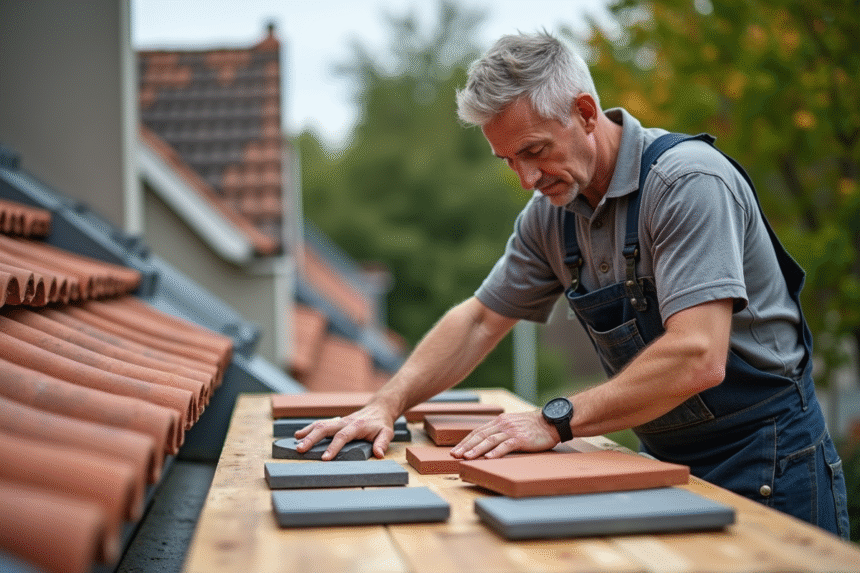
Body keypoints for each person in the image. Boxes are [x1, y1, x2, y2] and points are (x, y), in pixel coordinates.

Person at [295, 31, 849, 537]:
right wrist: (385, 403)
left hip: (768, 460)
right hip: (663, 461)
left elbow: (698, 356)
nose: (526, 179)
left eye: (534, 151)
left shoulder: (687, 184)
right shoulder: (551, 217)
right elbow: (480, 320)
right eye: (508, 160)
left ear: (584, 112)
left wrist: (553, 420)